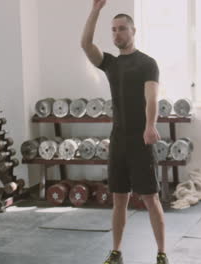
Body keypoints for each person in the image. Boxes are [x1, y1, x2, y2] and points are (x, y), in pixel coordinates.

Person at [81, 0, 169, 263]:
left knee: (151, 198)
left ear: (133, 31)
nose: (117, 33)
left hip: (140, 139)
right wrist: (95, 10)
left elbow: (152, 97)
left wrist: (150, 125)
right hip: (118, 139)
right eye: (114, 30)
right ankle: (116, 250)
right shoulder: (110, 64)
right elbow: (86, 44)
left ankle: (162, 252)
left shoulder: (147, 63)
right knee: (119, 199)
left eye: (122, 29)